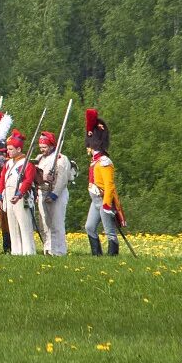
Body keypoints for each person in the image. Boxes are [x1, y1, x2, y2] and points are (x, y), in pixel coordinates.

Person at [84, 108, 120, 256]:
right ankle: (96, 255)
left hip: (103, 199)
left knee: (109, 231)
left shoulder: (104, 162)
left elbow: (109, 185)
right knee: (89, 227)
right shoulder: (95, 161)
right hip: (95, 199)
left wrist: (106, 204)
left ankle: (112, 255)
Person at [35, 130, 75, 256]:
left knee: (57, 223)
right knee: (44, 224)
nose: (42, 150)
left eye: (45, 147)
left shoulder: (61, 159)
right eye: (41, 147)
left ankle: (59, 250)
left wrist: (54, 195)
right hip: (42, 192)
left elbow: (62, 179)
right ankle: (48, 248)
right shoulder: (39, 158)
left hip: (57, 194)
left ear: (52, 146)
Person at [1, 129, 38, 255]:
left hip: (21, 195)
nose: (8, 151)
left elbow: (28, 181)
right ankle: (16, 251)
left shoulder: (27, 163)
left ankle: (29, 251)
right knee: (12, 225)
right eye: (8, 149)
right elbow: (2, 180)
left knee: (24, 224)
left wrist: (19, 194)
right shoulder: (8, 163)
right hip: (9, 193)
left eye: (11, 149)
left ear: (18, 149)